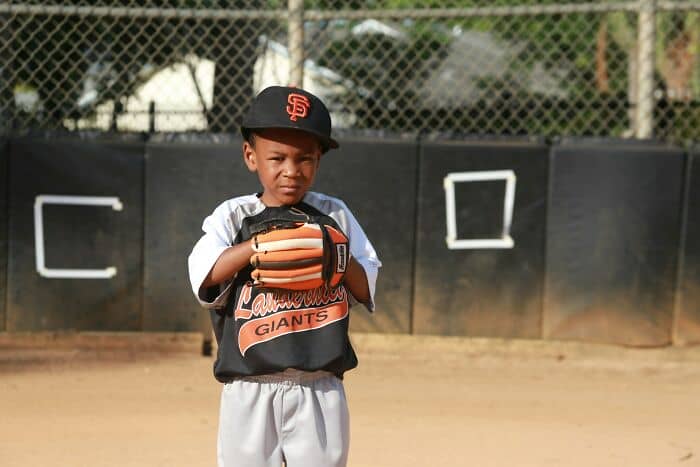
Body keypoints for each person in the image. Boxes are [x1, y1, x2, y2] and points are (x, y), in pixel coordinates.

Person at [187, 85, 381, 467]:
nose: (291, 170)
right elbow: (205, 273)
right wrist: (257, 248)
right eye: (277, 158)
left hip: (319, 385)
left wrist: (337, 256)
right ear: (251, 156)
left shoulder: (335, 216)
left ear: (319, 161)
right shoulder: (233, 216)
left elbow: (366, 285)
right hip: (248, 385)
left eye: (305, 158)